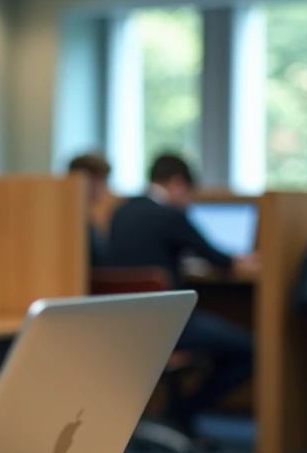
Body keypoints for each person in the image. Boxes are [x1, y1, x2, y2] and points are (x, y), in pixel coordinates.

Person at [108, 154, 259, 436]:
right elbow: (219, 259)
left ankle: (177, 415)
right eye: (189, 194)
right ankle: (181, 413)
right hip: (168, 324)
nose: (189, 201)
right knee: (251, 350)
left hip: (125, 324)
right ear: (178, 183)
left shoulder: (121, 211)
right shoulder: (171, 216)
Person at [67, 152, 112, 267]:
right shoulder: (72, 220)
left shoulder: (87, 216)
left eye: (103, 181)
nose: (103, 187)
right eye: (97, 181)